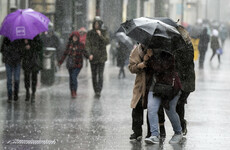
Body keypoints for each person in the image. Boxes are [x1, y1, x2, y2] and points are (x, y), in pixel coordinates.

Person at [144, 45, 183, 144]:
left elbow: (161, 69)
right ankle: (154, 135)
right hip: (155, 87)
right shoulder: (149, 52)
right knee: (151, 108)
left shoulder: (168, 53)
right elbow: (148, 70)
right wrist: (146, 60)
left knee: (169, 110)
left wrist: (151, 57)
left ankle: (178, 132)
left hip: (169, 88)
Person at [128, 44, 166, 141]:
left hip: (154, 84)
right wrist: (141, 64)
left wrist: (151, 57)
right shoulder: (136, 51)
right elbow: (131, 68)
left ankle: (152, 132)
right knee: (137, 107)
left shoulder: (157, 49)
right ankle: (137, 132)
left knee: (153, 109)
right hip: (141, 84)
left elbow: (162, 66)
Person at [58, 31, 93, 98]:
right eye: (74, 37)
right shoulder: (69, 45)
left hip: (78, 64)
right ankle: (72, 90)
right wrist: (60, 62)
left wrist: (89, 57)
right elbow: (65, 54)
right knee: (71, 78)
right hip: (70, 64)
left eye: (76, 37)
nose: (75, 38)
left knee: (74, 76)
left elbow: (84, 52)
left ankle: (74, 91)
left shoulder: (80, 45)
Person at [85, 16, 110, 97]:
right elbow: (87, 45)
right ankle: (95, 90)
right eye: (95, 24)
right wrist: (89, 54)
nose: (96, 25)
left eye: (98, 24)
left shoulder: (104, 32)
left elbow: (107, 42)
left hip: (101, 57)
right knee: (94, 75)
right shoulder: (90, 33)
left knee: (100, 74)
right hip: (93, 57)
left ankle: (99, 90)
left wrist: (100, 36)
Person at [0, 38, 23, 102]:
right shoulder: (6, 39)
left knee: (16, 79)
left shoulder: (19, 39)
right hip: (8, 62)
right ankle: (9, 96)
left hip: (17, 62)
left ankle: (16, 94)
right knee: (9, 79)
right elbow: (2, 49)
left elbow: (22, 50)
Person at [21, 35, 43, 102]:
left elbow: (40, 47)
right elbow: (19, 49)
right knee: (26, 77)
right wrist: (25, 45)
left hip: (34, 59)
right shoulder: (23, 36)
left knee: (34, 77)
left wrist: (31, 45)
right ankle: (27, 91)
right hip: (26, 59)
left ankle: (33, 93)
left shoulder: (36, 36)